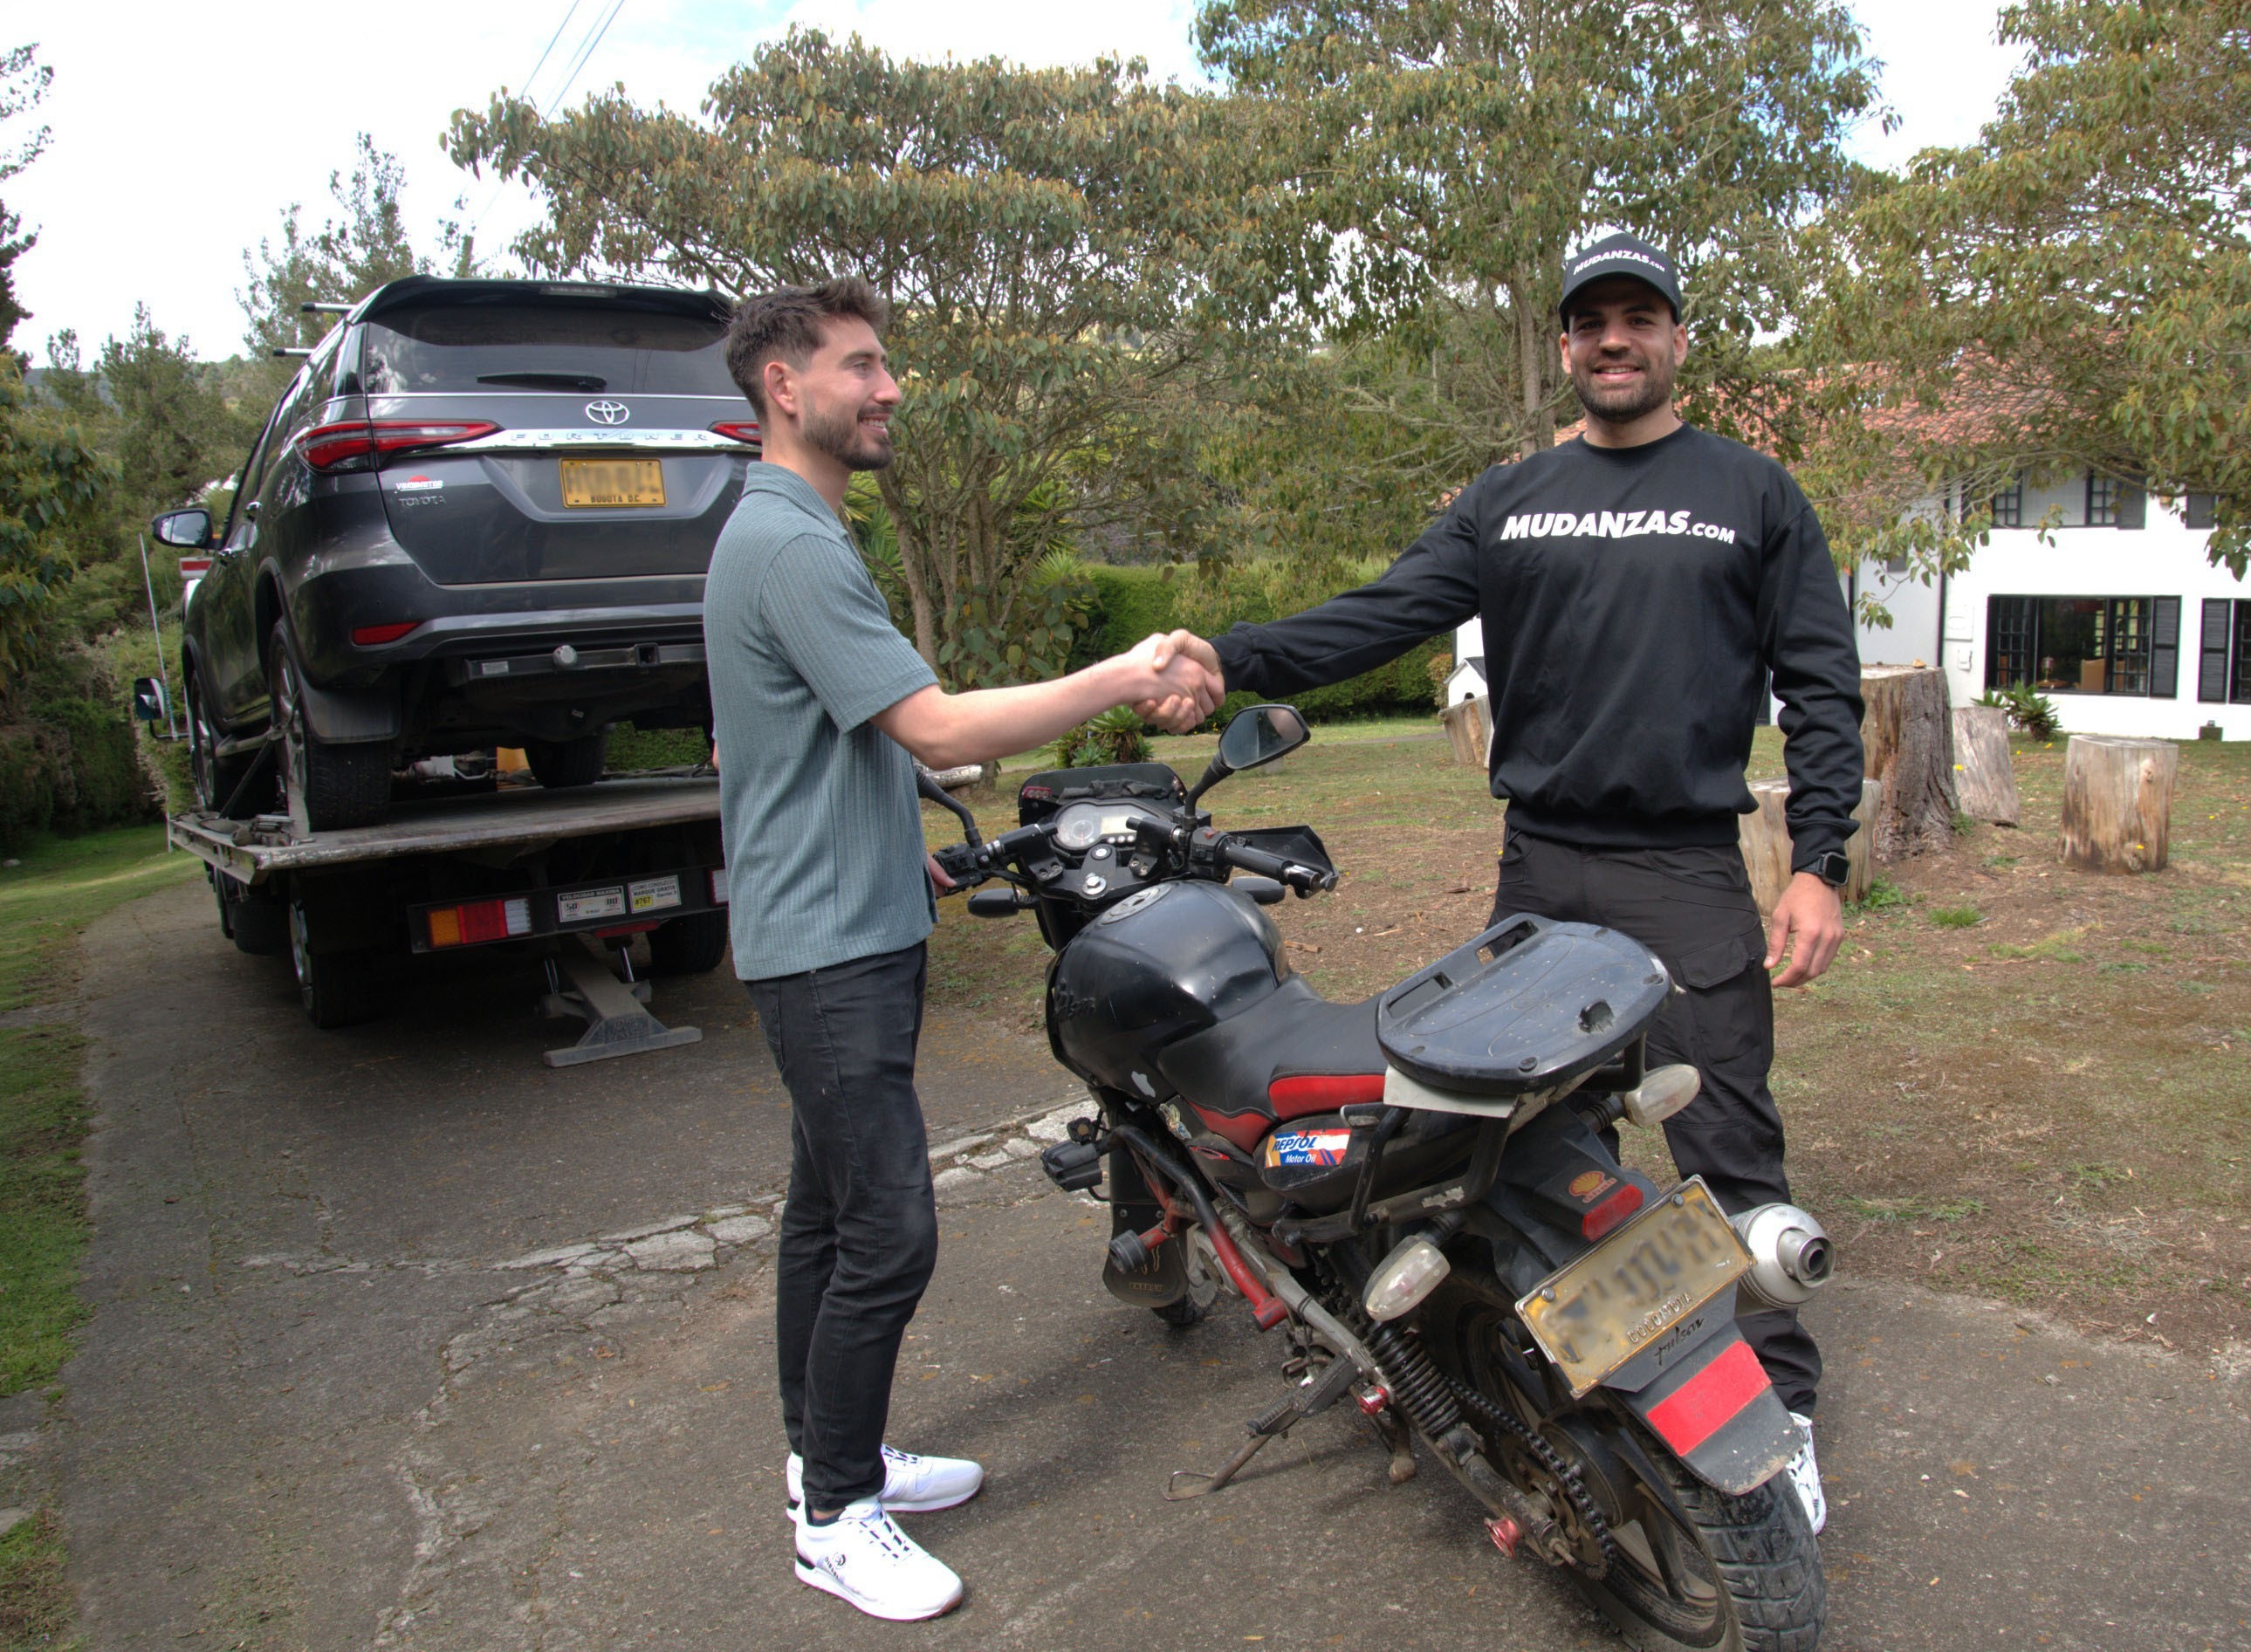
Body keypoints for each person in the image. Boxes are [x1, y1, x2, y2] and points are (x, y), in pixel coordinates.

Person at [1171, 231, 1863, 1532]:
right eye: (1590, 321)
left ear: (1673, 339)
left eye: (1638, 317)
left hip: (1683, 867)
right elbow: (1379, 614)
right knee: (1532, 1141)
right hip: (1540, 869)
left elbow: (1822, 688)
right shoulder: (1511, 501)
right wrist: (1234, 656)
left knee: (1724, 1143)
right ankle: (1598, 1374)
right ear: (1565, 348)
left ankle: (1780, 1419)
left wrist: (1818, 862)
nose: (1615, 339)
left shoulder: (1753, 494)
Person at [705, 278, 1216, 1621]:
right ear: (784, 386)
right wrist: (1119, 677)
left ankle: (833, 1457)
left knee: (824, 1218)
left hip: (835, 924)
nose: (887, 390)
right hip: (823, 956)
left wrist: (909, 856)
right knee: (887, 1232)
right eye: (862, 366)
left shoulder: (784, 530)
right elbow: (935, 731)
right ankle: (833, 1516)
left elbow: (814, 750)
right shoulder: (791, 543)